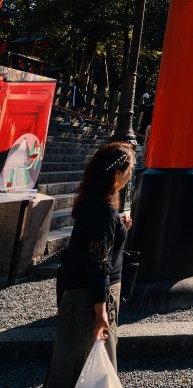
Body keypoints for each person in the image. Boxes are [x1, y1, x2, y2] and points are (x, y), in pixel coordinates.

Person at [45, 142, 135, 388]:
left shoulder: (95, 205)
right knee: (79, 366)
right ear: (117, 174)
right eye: (129, 170)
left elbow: (97, 250)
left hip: (85, 294)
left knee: (78, 364)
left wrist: (120, 228)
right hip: (90, 298)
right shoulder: (103, 212)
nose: (130, 176)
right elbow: (98, 263)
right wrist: (101, 312)